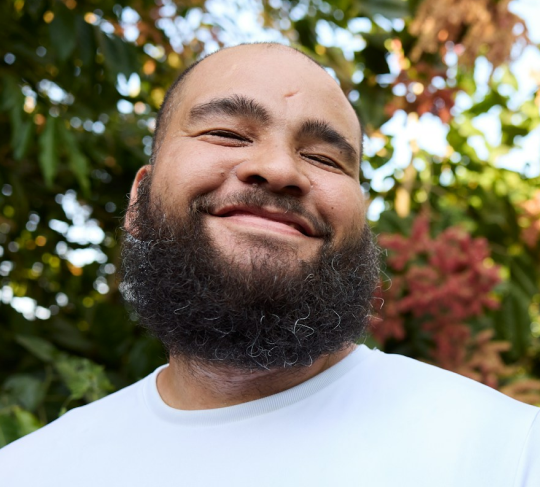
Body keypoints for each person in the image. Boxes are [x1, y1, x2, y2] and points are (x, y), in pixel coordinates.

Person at [0, 42, 538, 486]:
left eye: (324, 158)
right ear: (138, 201)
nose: (280, 169)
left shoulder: (510, 453)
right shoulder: (30, 471)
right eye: (227, 134)